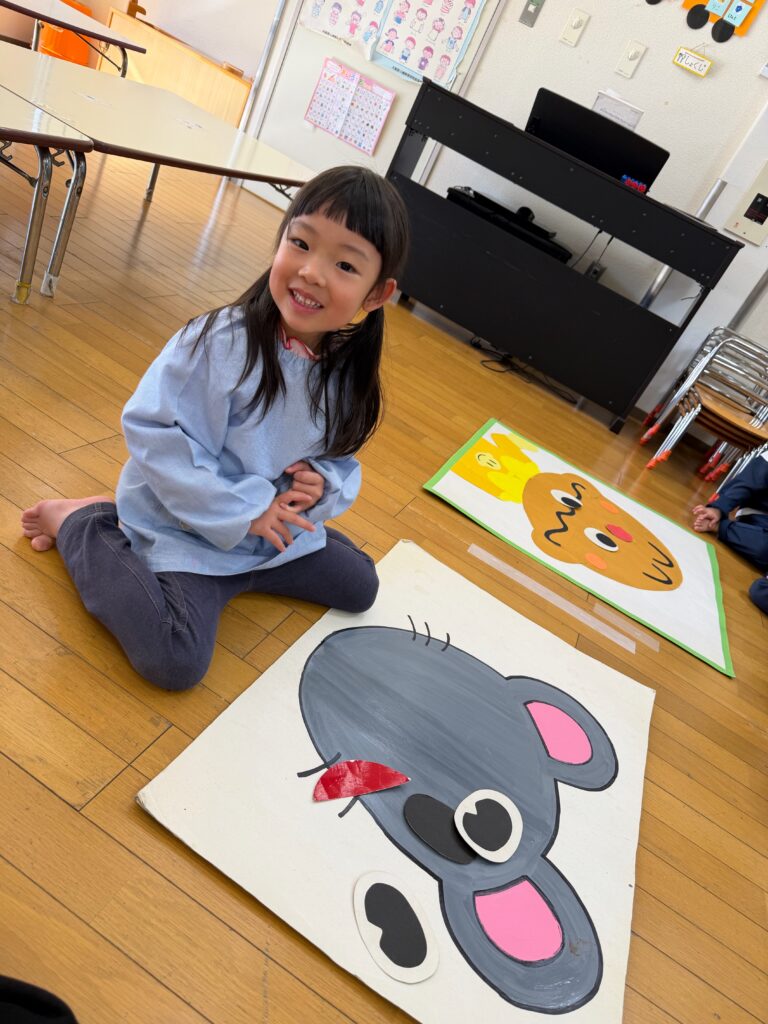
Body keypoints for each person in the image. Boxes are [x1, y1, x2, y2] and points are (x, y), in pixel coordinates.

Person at [21, 166, 410, 690]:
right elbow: (153, 432)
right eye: (300, 243)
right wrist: (244, 512)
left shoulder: (345, 370)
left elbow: (339, 457)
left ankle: (245, 571)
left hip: (264, 536)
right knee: (175, 660)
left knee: (362, 586)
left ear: (377, 294)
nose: (311, 272)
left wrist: (323, 484)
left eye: (344, 264)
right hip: (185, 525)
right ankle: (82, 522)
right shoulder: (220, 342)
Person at [692, 451, 768, 614]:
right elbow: (747, 482)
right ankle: (720, 525)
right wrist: (719, 508)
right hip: (759, 518)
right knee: (763, 548)